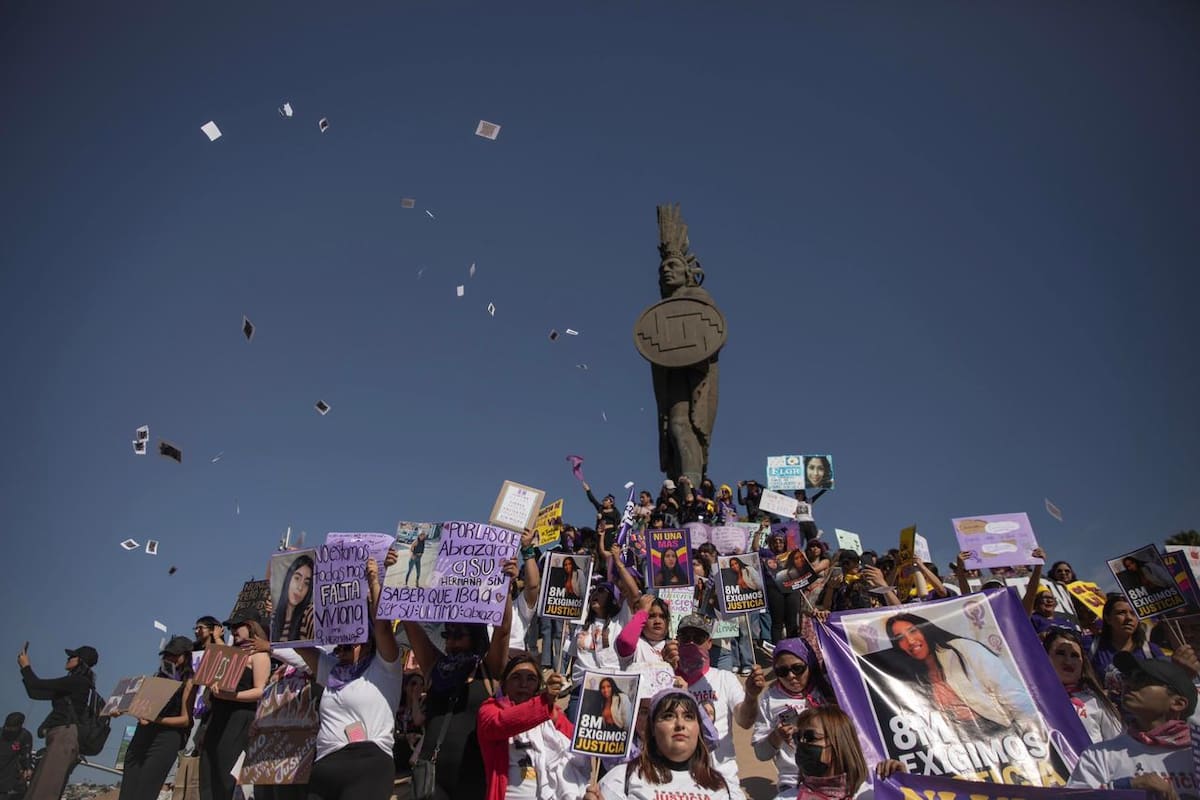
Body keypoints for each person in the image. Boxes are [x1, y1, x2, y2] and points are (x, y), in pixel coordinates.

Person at [404, 557, 516, 800]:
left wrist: (506, 585)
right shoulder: (435, 666)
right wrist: (400, 570)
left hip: (472, 777)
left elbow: (504, 628)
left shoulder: (489, 671)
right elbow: (409, 622)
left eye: (459, 635)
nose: (451, 641)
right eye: (448, 634)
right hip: (431, 777)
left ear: (475, 637)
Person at [292, 557, 403, 800]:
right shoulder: (332, 670)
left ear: (368, 642)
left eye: (349, 644)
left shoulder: (385, 667)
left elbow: (383, 626)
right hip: (325, 767)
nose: (341, 650)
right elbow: (296, 643)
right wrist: (286, 590)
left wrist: (373, 580)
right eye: (339, 645)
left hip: (368, 766)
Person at [1068, 653, 1198, 799]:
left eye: (1142, 679)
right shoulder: (1100, 754)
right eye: (1127, 677)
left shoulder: (1194, 752)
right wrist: (1126, 787)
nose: (1128, 683)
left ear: (1177, 703)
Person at [878, 612, 1031, 735]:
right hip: (960, 746)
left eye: (913, 631)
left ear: (924, 629)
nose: (910, 641)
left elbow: (1011, 692)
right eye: (900, 638)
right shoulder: (914, 677)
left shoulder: (963, 649)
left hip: (1001, 732)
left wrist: (1029, 733)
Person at [669, 614, 764, 798]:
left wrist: (751, 696)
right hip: (678, 784)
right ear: (677, 641)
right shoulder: (666, 678)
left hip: (722, 781)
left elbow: (745, 721)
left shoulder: (724, 678)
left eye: (698, 638)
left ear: (709, 643)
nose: (691, 643)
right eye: (685, 637)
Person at [586, 689, 728, 800]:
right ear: (652, 728)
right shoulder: (622, 778)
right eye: (668, 716)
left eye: (689, 717)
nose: (680, 724)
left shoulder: (717, 784)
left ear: (699, 728)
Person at [477, 654, 580, 800]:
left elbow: (579, 744)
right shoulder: (490, 709)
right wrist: (543, 702)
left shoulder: (552, 714)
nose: (523, 684)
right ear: (504, 684)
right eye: (516, 677)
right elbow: (501, 723)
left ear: (538, 686)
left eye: (531, 679)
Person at [751, 639, 833, 798]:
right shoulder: (770, 699)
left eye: (798, 668)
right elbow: (761, 754)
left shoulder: (829, 688)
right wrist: (776, 736)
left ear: (809, 664)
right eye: (782, 671)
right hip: (794, 782)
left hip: (834, 778)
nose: (791, 676)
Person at [199, 618, 269, 800]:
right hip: (217, 716)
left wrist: (233, 696)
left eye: (238, 626)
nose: (234, 630)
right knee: (207, 769)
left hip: (240, 716)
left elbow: (260, 690)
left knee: (225, 771)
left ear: (251, 627)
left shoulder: (258, 655)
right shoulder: (227, 654)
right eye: (231, 628)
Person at [119, 636, 197, 800]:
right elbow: (142, 709)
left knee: (145, 791)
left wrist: (155, 719)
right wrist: (125, 709)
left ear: (186, 655)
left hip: (166, 738)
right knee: (127, 790)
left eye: (175, 655)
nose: (170, 658)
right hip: (142, 735)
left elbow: (185, 720)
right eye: (167, 654)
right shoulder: (157, 677)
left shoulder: (188, 681)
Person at [17, 643, 98, 800]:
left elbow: (37, 685)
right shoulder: (75, 683)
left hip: (64, 738)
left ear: (80, 661)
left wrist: (26, 666)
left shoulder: (78, 681)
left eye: (72, 656)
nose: (68, 659)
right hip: (60, 737)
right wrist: (24, 669)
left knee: (44, 791)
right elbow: (35, 692)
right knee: (39, 787)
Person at [790, 706, 907, 800]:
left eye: (810, 737)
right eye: (797, 737)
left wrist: (902, 790)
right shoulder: (787, 798)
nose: (802, 743)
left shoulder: (871, 796)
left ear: (839, 741)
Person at [1042, 628, 1121, 744]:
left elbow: (1117, 747)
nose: (1068, 661)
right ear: (1044, 657)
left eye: (1074, 655)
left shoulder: (1096, 701)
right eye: (1060, 653)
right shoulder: (1031, 698)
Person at [1089, 593, 1165, 701]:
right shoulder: (1091, 645)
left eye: (1133, 613)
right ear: (1107, 618)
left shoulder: (1151, 650)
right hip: (1106, 714)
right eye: (1121, 613)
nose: (1129, 618)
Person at [271, 553, 315, 642]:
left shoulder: (309, 613)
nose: (300, 587)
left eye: (306, 583)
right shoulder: (273, 618)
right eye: (297, 578)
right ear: (288, 579)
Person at [0, 713, 32, 800]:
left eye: (11, 727)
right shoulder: (1, 733)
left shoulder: (25, 735)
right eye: (7, 726)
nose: (8, 729)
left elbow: (26, 754)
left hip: (12, 772)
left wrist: (28, 768)